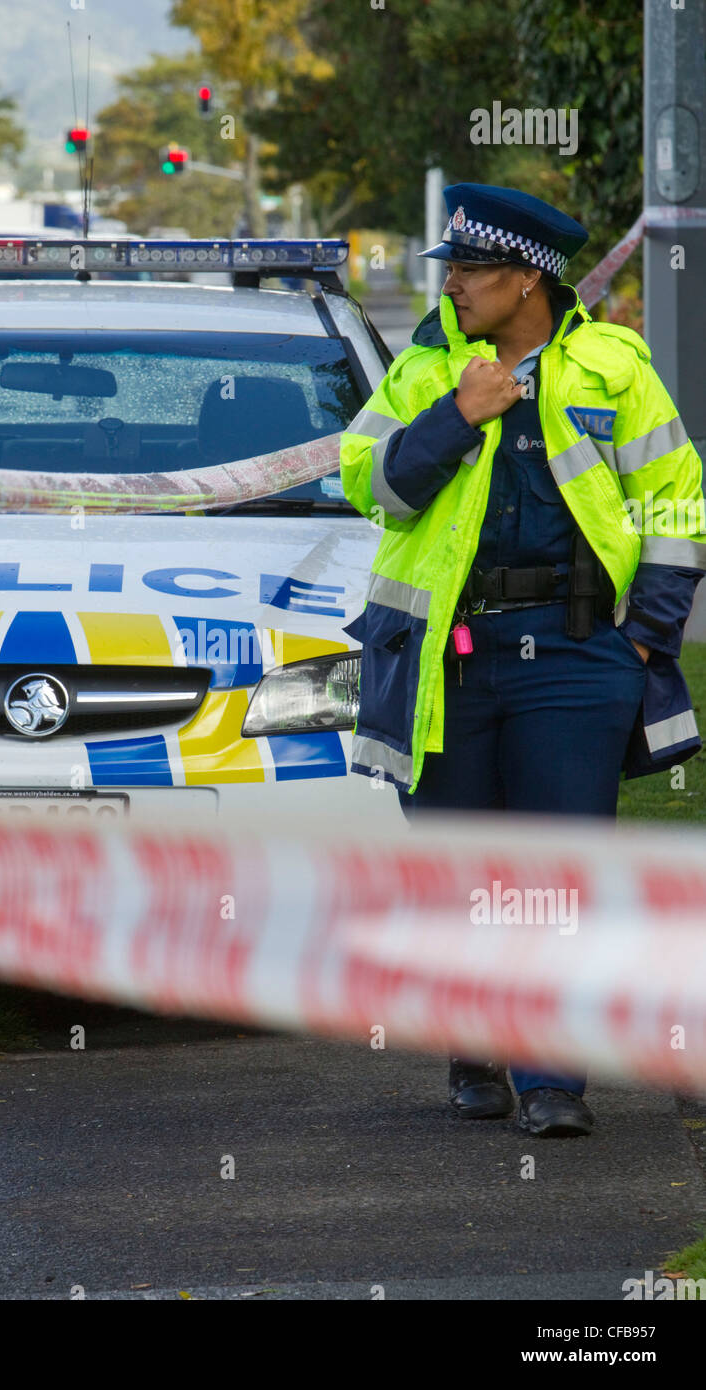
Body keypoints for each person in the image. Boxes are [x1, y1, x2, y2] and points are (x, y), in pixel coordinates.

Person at [340, 183, 706, 1137]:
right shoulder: (426, 370)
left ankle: (552, 1083)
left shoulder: (611, 367)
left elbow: (673, 499)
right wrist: (458, 416)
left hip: (578, 655)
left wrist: (643, 638)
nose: (450, 284)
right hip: (448, 660)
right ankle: (475, 1054)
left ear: (524, 280)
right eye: (449, 269)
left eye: (467, 269)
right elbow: (368, 486)